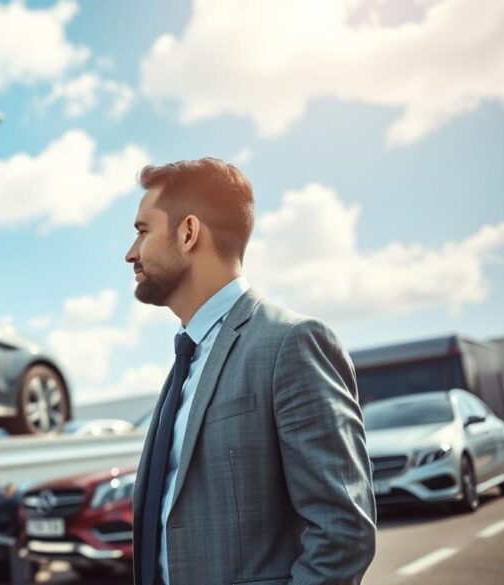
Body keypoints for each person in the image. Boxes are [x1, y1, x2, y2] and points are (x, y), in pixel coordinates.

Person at [127, 158, 376, 585]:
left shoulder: (290, 343)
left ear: (188, 233)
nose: (131, 252)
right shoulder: (186, 358)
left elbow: (343, 531)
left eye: (143, 231)